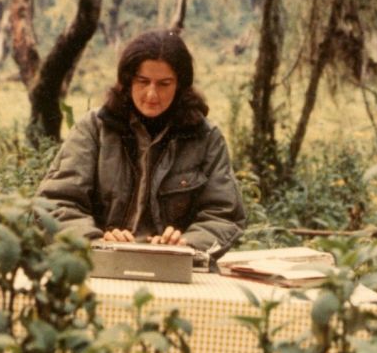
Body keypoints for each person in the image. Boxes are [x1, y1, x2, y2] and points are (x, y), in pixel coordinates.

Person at [36, 29, 245, 260]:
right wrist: (96, 242)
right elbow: (56, 202)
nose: (152, 94)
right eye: (143, 81)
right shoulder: (94, 129)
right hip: (98, 263)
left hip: (178, 267)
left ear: (180, 86)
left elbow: (223, 214)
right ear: (127, 81)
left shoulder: (206, 138)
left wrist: (186, 246)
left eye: (164, 84)